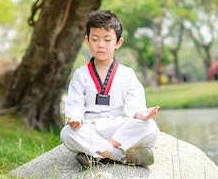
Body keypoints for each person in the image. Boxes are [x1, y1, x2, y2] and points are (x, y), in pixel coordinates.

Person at [60, 10, 160, 168]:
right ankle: (119, 156)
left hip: (120, 128)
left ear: (118, 43)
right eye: (95, 39)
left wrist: (142, 113)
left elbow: (135, 105)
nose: (101, 44)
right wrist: (75, 119)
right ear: (87, 40)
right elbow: (75, 105)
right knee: (67, 133)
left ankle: (98, 154)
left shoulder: (127, 73)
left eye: (107, 40)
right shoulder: (80, 75)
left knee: (150, 127)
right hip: (91, 128)